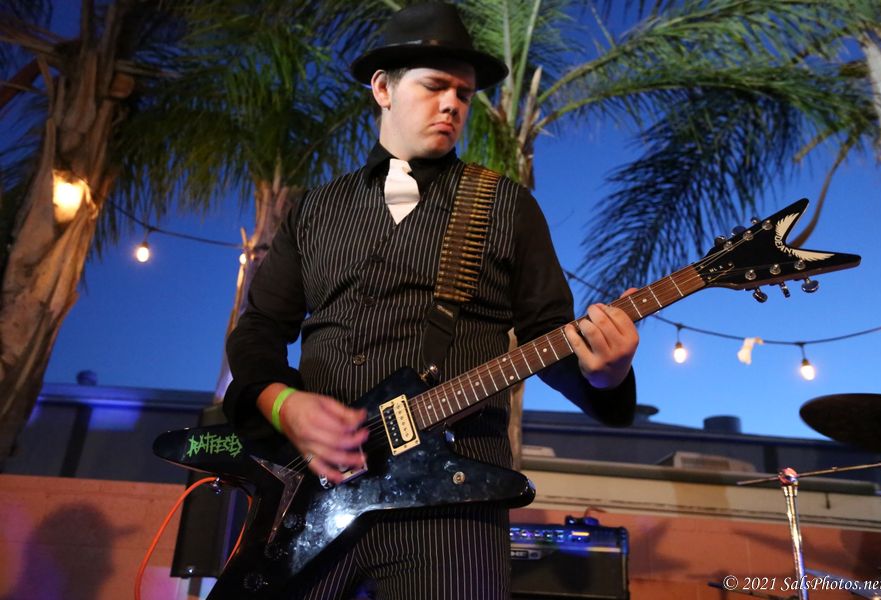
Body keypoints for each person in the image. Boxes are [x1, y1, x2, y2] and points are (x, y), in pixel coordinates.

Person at [223, 3, 639, 599]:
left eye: (463, 94)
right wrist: (283, 404)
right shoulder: (314, 209)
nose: (452, 104)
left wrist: (607, 375)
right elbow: (259, 328)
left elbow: (549, 337)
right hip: (312, 496)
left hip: (452, 501)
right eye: (434, 86)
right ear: (383, 89)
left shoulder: (507, 206)